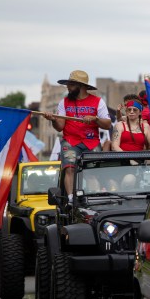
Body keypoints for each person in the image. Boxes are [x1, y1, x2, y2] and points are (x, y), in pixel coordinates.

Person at [42, 70, 112, 201]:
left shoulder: (98, 102)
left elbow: (108, 125)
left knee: (91, 171)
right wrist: (53, 119)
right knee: (69, 167)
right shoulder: (64, 102)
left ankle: (93, 197)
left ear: (81, 86)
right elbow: (60, 127)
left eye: (71, 84)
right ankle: (71, 199)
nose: (67, 87)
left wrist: (95, 119)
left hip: (91, 141)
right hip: (70, 141)